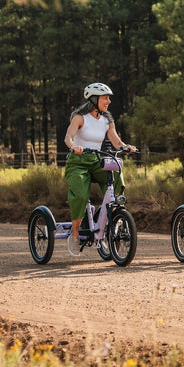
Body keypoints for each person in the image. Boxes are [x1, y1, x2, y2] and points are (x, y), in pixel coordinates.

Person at [62, 82, 135, 255]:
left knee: (116, 175)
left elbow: (116, 141)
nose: (109, 101)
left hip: (96, 160)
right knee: (81, 194)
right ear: (94, 99)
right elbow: (68, 137)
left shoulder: (107, 120)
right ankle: (75, 234)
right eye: (105, 98)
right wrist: (74, 146)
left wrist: (126, 147)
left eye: (109, 98)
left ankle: (113, 217)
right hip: (77, 162)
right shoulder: (80, 117)